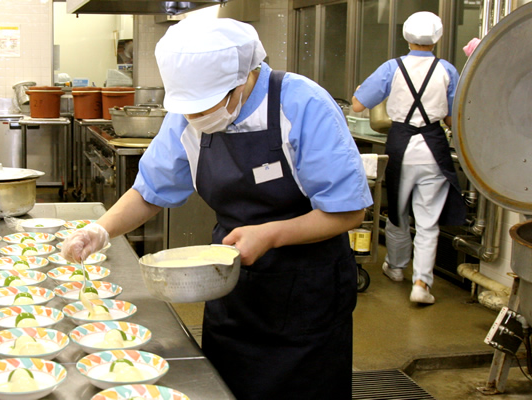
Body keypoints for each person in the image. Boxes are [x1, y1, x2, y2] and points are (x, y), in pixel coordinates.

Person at [62, 17, 373, 400]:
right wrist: (100, 230)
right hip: (233, 288)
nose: (195, 119)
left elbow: (347, 211)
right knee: (225, 387)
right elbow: (150, 190)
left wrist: (271, 233)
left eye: (204, 106)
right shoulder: (187, 118)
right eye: (189, 109)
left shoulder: (302, 104)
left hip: (308, 294)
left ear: (242, 79)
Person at [351, 11, 466, 305]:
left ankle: (397, 268)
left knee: (399, 214)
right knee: (428, 221)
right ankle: (421, 284)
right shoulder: (447, 70)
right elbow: (453, 121)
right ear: (438, 38)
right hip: (434, 148)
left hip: (401, 146)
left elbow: (358, 105)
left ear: (406, 37)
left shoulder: (393, 68)